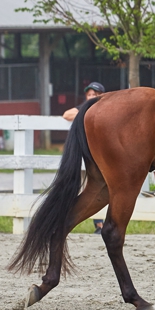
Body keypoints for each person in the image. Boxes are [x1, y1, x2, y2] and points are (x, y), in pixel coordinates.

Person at [63, 81, 109, 233]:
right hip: (85, 154)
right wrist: (86, 112)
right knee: (90, 188)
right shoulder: (83, 108)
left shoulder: (108, 110)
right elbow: (66, 114)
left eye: (94, 95)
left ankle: (100, 225)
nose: (91, 97)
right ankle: (98, 224)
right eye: (89, 94)